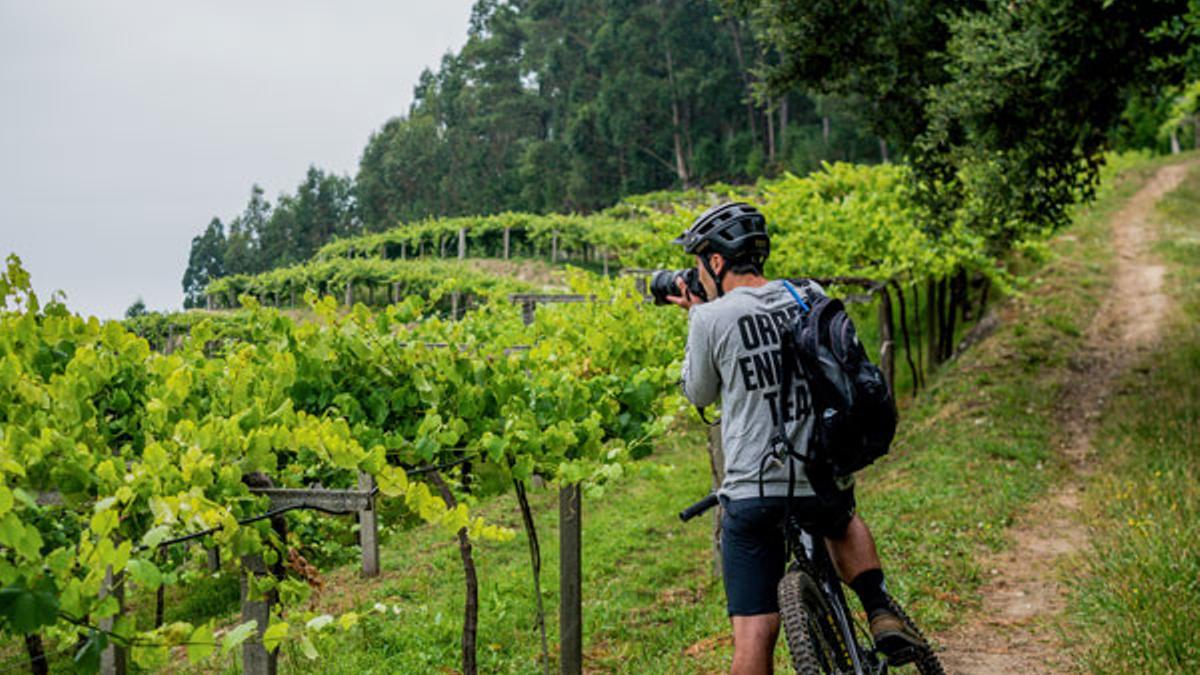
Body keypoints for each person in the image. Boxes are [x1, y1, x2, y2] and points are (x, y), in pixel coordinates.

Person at [668, 202, 925, 674]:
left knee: (753, 634)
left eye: (701, 263)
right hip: (818, 472)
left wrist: (696, 316)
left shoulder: (710, 318)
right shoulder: (807, 293)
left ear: (717, 261)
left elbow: (699, 392)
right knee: (841, 518)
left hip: (751, 489)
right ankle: (878, 609)